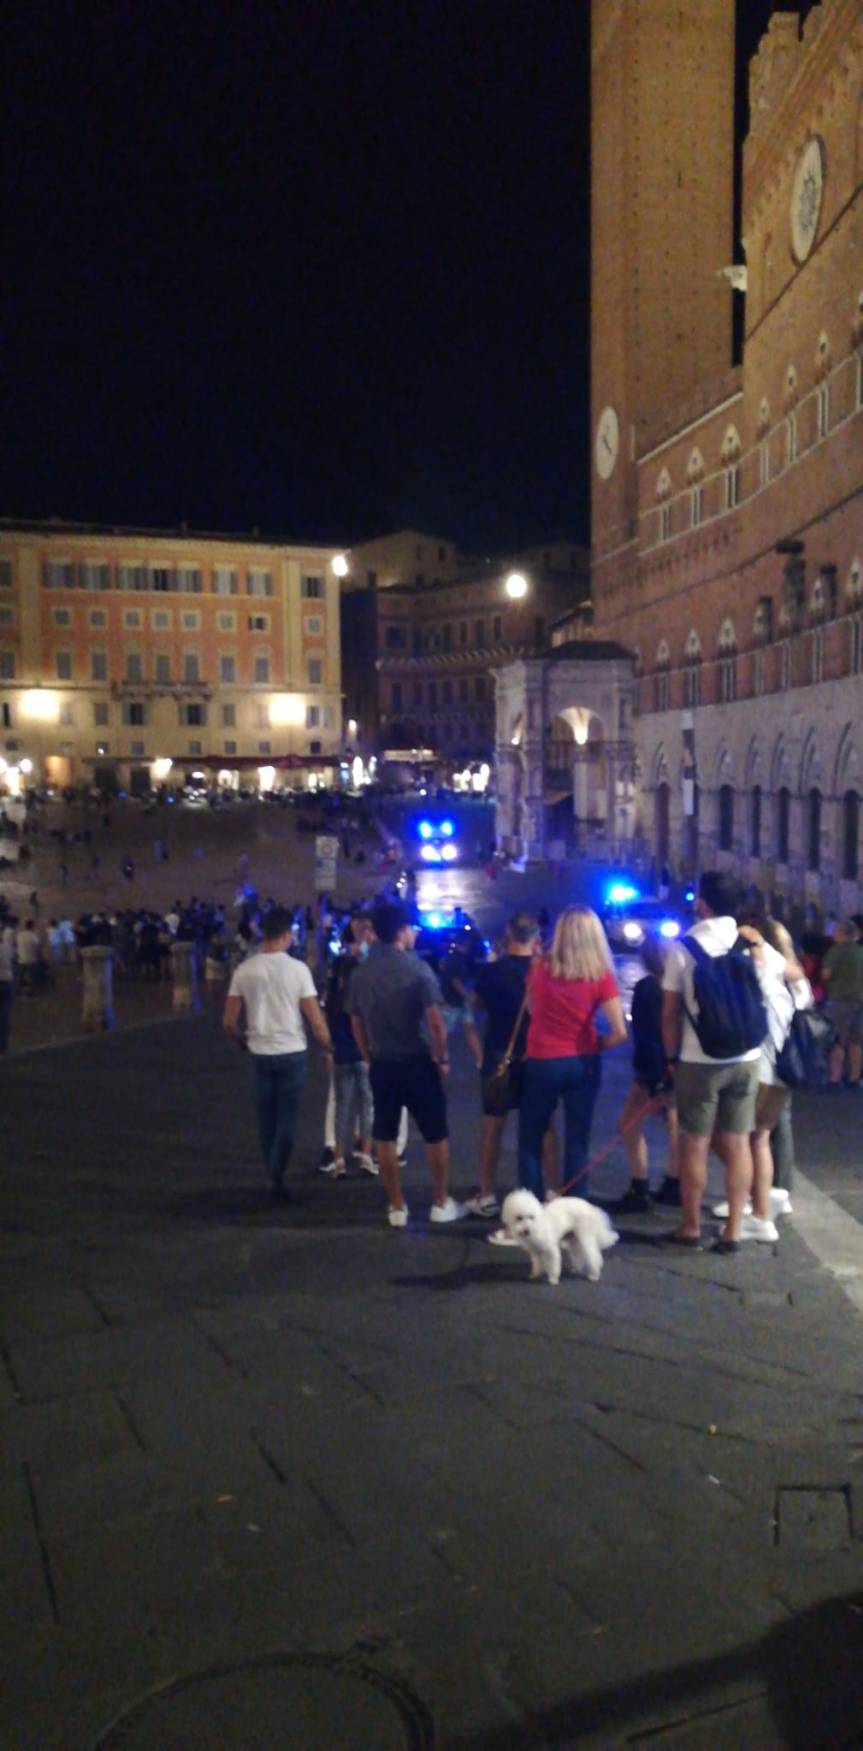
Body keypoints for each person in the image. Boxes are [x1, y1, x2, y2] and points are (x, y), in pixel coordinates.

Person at [661, 871, 766, 1253]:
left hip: (698, 1058)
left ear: (702, 903)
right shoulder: (752, 942)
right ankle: (733, 1231)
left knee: (695, 1145)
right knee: (739, 1144)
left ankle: (691, 1226)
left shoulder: (684, 948)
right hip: (747, 1057)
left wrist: (670, 1058)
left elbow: (669, 1012)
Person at [346, 900, 466, 1227]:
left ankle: (396, 1205)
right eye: (411, 928)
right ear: (401, 932)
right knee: (434, 1132)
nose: (414, 933)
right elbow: (436, 1022)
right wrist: (441, 1057)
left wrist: (368, 1055)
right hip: (416, 1059)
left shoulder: (361, 973)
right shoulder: (417, 969)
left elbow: (355, 1022)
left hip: (382, 1062)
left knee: (384, 1133)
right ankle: (440, 1201)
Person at [514, 906, 627, 1206]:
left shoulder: (539, 968)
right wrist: (596, 1043)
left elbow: (531, 1010)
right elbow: (620, 1032)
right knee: (578, 1139)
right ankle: (574, 1209)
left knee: (530, 1138)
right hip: (582, 1061)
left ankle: (530, 1209)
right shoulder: (600, 976)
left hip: (542, 1059)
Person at [223, 905, 334, 1202]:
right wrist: (328, 1045)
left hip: (260, 1051)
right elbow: (314, 1017)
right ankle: (276, 1174)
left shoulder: (244, 970)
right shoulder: (298, 970)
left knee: (266, 1119)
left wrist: (240, 1040)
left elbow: (229, 1022)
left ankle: (272, 1173)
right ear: (286, 935)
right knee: (287, 1118)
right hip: (292, 1050)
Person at [713, 916, 812, 1236]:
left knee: (737, 1138)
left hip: (764, 1068)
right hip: (787, 1071)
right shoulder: (797, 983)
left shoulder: (766, 977)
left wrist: (754, 945)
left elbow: (758, 975)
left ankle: (754, 1210)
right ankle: (761, 1213)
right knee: (761, 1141)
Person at [467, 911, 559, 1219]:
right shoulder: (546, 972)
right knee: (544, 1126)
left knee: (493, 1123)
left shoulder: (491, 972)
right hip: (537, 1054)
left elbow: (478, 1004)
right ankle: (551, 1192)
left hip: (499, 1054)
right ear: (537, 937)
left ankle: (487, 1192)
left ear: (508, 933)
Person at [612, 934, 680, 1214]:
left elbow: (647, 1035)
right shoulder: (681, 986)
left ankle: (639, 1185)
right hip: (681, 1064)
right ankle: (674, 1183)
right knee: (675, 1125)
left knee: (628, 1121)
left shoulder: (647, 988)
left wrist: (655, 1081)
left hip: (652, 1068)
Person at [323, 918, 377, 1178]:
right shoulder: (371, 967)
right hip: (362, 1044)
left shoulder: (341, 964)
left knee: (344, 1103)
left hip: (344, 1042)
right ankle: (364, 1154)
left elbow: (331, 1005)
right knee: (366, 1102)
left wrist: (328, 1044)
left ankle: (339, 1157)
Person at [821, 919, 863, 1087]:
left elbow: (825, 975)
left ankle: (834, 1078)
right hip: (860, 1002)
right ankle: (854, 1078)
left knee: (837, 1040)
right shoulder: (861, 952)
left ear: (841, 932)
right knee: (856, 1042)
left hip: (839, 1001)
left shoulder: (836, 951)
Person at [0, 919, 15, 1052]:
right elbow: (11, 959)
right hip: (6, 980)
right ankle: (3, 1044)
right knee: (5, 1014)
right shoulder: (6, 947)